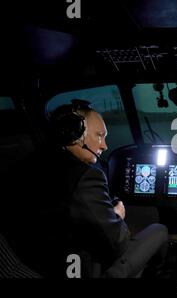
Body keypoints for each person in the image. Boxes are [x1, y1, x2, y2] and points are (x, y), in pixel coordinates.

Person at [2, 99, 168, 278]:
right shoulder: (85, 177)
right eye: (100, 135)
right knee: (159, 230)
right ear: (75, 133)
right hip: (75, 270)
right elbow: (118, 244)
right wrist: (117, 216)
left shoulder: (27, 163)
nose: (104, 145)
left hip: (32, 260)